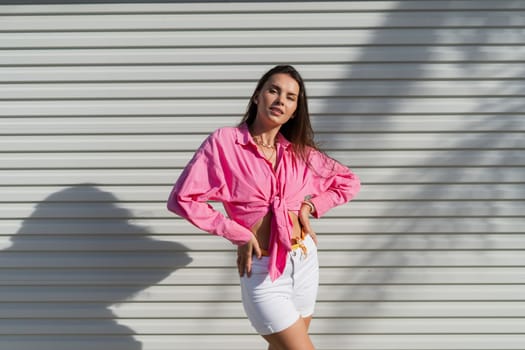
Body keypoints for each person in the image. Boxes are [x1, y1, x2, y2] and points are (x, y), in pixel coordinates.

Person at [167, 65, 360, 350]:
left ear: (294, 111)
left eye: (290, 97)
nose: (280, 100)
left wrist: (310, 206)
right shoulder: (224, 143)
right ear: (258, 96)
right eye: (274, 90)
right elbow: (183, 199)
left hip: (304, 260)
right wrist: (238, 233)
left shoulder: (298, 152)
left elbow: (348, 182)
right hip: (263, 268)